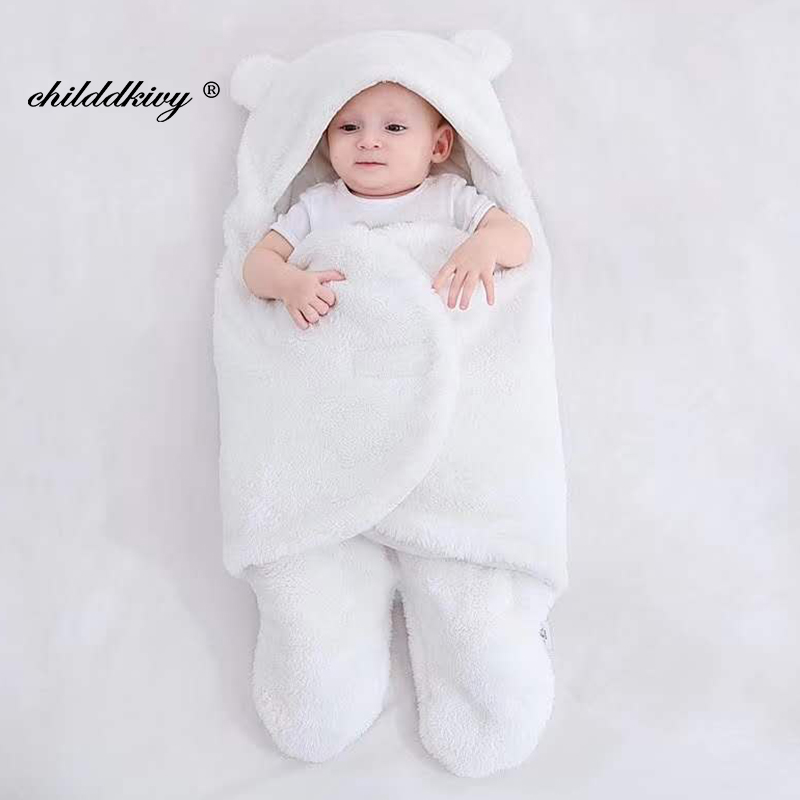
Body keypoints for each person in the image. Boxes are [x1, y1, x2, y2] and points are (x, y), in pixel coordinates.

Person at [241, 80, 534, 329]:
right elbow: (257, 264)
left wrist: (485, 245)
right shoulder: (318, 206)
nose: (368, 141)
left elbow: (519, 239)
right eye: (349, 127)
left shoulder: (450, 198)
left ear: (439, 146)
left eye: (394, 127)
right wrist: (289, 284)